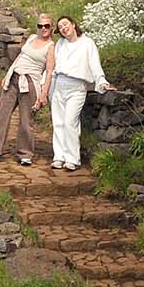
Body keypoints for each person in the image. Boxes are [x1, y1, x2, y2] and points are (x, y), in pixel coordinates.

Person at [0, 13, 56, 167]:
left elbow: (49, 71)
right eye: (40, 25)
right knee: (2, 112)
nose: (43, 28)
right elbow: (20, 57)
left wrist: (43, 94)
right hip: (14, 77)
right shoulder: (30, 39)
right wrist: (8, 74)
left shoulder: (50, 46)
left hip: (30, 82)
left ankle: (25, 154)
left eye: (47, 26)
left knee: (26, 119)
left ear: (52, 28)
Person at [42, 15, 107, 172]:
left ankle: (72, 158)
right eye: (61, 28)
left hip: (77, 86)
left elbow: (94, 64)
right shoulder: (60, 44)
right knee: (58, 122)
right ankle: (59, 156)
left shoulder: (87, 43)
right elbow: (52, 66)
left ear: (73, 24)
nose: (64, 29)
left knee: (70, 121)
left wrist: (102, 81)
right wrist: (44, 85)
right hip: (59, 85)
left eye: (65, 25)